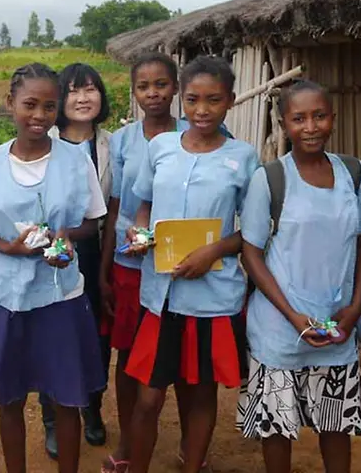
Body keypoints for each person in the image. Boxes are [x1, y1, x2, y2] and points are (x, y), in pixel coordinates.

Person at [0, 63, 108, 473]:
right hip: (8, 295)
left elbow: (92, 221)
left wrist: (63, 237)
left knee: (66, 396)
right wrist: (7, 246)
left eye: (48, 106)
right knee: (10, 398)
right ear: (11, 104)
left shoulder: (77, 160)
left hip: (61, 295)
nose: (39, 116)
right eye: (29, 105)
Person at [236, 79, 361, 473]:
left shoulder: (353, 172)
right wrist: (291, 315)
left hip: (337, 325)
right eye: (299, 118)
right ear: (284, 125)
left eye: (319, 116)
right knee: (277, 429)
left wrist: (355, 308)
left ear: (332, 118)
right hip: (280, 329)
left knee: (335, 425)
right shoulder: (270, 178)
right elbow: (251, 252)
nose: (311, 126)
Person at [122, 56, 259, 473]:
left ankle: (192, 464)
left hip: (211, 296)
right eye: (194, 99)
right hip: (160, 294)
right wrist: (140, 233)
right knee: (148, 398)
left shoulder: (243, 157)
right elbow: (143, 204)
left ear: (230, 102)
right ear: (182, 99)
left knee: (200, 393)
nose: (202, 110)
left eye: (213, 100)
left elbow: (252, 232)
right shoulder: (160, 147)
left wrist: (213, 251)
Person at [98, 52, 230, 473]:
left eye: (161, 85)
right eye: (143, 86)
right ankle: (128, 446)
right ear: (133, 91)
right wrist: (117, 253)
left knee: (192, 368)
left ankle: (192, 449)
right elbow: (122, 203)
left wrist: (212, 250)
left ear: (174, 88)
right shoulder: (127, 142)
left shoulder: (219, 140)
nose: (152, 93)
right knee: (132, 360)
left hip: (197, 279)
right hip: (136, 266)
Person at [40, 62, 112, 458]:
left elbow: (111, 210)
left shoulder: (111, 144)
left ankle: (92, 408)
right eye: (73, 91)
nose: (83, 98)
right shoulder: (41, 139)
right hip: (49, 255)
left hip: (95, 251)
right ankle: (52, 416)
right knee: (52, 336)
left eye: (90, 89)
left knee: (96, 337)